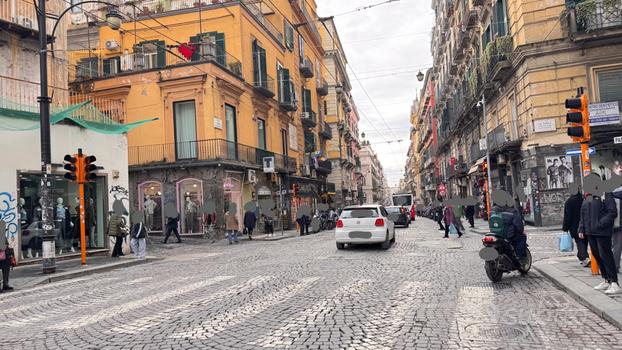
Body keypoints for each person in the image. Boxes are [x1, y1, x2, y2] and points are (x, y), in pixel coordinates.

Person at [579, 192, 620, 295]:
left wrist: (600, 223)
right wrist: (581, 228)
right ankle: (606, 279)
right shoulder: (587, 196)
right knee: (597, 255)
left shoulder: (605, 194)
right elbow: (583, 213)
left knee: (606, 255)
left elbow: (612, 212)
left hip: (602, 231)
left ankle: (614, 282)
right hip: (590, 231)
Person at [563, 187, 589, 266]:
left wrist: (565, 227)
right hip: (585, 224)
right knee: (584, 241)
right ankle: (581, 256)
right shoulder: (584, 199)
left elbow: (568, 217)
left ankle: (585, 258)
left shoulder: (569, 202)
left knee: (579, 242)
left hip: (574, 226)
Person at [612, 186, 622, 272]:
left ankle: (615, 266)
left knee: (617, 247)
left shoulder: (613, 193)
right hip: (618, 224)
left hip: (618, 224)